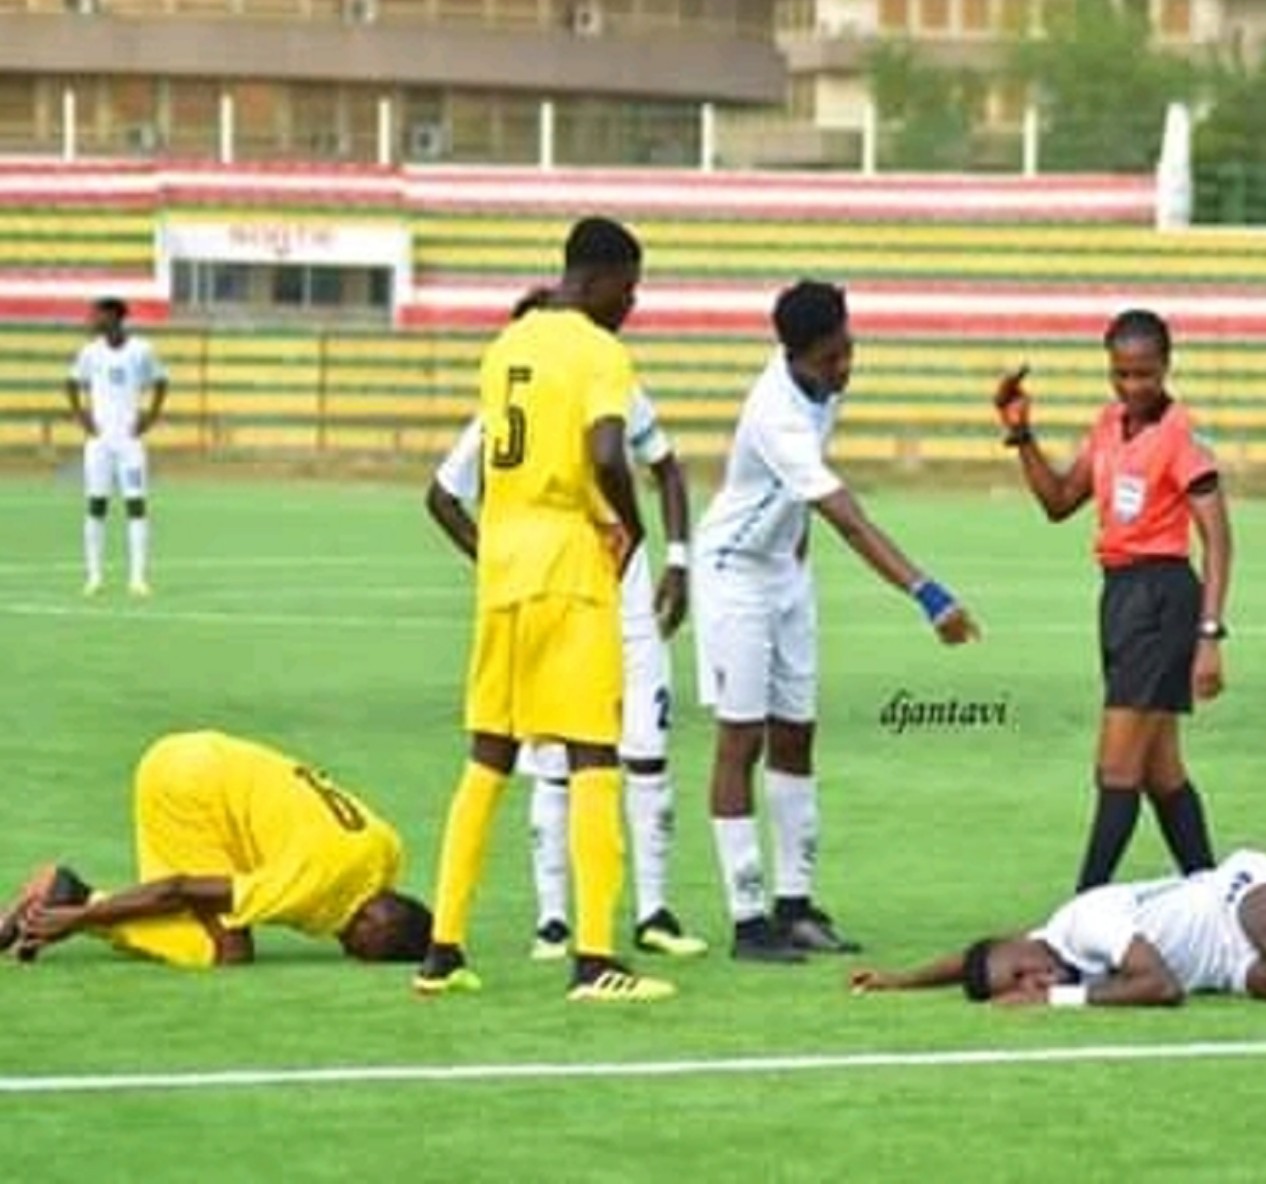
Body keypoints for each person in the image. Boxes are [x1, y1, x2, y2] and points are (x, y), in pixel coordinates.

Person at [413, 216, 674, 1002]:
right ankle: (595, 960)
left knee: (488, 755)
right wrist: (631, 523)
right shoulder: (600, 352)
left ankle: (443, 951)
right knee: (595, 754)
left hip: (503, 562)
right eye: (628, 290)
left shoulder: (507, 348)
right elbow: (604, 452)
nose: (631, 305)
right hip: (568, 561)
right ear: (597, 279)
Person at [694, 278, 979, 963]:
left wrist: (792, 560)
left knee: (796, 735)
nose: (845, 366)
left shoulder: (825, 386)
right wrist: (928, 594)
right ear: (794, 355)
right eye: (830, 358)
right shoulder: (777, 415)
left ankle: (794, 906)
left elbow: (802, 503)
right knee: (741, 742)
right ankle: (748, 919)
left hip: (787, 574)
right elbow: (850, 519)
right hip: (734, 576)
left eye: (848, 348)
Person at [992, 309, 1227, 894]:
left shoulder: (1179, 437)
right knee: (1159, 771)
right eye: (1121, 374)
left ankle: (1082, 908)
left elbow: (1219, 540)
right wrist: (1021, 434)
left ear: (1166, 367)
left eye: (1144, 374)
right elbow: (1058, 502)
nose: (1132, 387)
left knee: (1115, 768)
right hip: (1120, 597)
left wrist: (1210, 636)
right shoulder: (1107, 424)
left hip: (1163, 598)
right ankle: (1213, 895)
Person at [848, 847, 1266, 1008]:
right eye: (1023, 984)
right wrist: (899, 981)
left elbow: (1163, 987)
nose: (1034, 981)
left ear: (1025, 940)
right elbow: (974, 963)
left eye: (1025, 971)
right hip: (1223, 966)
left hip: (1238, 891)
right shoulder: (1033, 956)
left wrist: (1056, 1001)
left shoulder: (1086, 923)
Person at [0, 730, 432, 968]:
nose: (357, 953)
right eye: (378, 950)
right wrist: (85, 916)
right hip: (188, 789)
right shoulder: (314, 887)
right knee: (223, 952)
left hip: (211, 753)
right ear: (379, 920)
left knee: (218, 920)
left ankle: (64, 902)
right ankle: (70, 895)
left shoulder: (387, 851)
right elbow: (180, 889)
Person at [65, 296, 167, 597]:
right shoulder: (90, 353)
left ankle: (137, 578)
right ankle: (94, 577)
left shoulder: (141, 350)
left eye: (98, 314)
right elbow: (72, 383)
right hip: (99, 443)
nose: (93, 319)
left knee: (136, 506)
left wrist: (151, 417)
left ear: (114, 316)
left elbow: (161, 381)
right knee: (96, 505)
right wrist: (82, 418)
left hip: (129, 443)